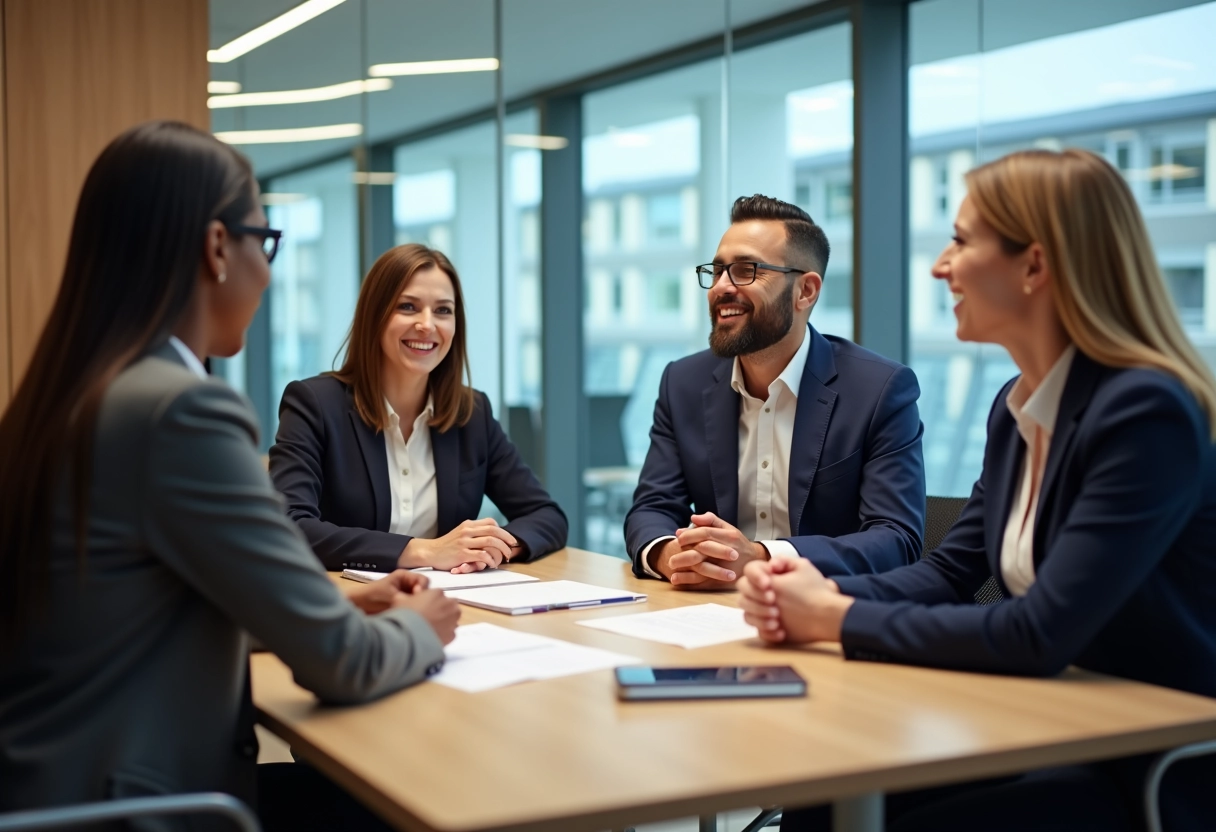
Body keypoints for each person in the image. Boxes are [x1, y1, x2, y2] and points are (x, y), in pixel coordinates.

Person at [0, 121, 461, 831]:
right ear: (219, 247)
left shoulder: (75, 392)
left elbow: (131, 610)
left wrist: (341, 608)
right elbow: (340, 665)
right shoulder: (180, 411)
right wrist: (421, 627)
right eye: (265, 242)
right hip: (139, 806)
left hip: (55, 784)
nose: (268, 272)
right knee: (422, 802)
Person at [740, 149, 1216, 831]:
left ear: (1035, 265)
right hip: (1051, 721)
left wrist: (835, 618)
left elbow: (1039, 631)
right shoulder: (1019, 406)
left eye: (962, 241)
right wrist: (806, 587)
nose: (941, 266)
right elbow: (948, 572)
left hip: (1150, 760)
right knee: (821, 804)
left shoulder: (1144, 412)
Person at [624, 195, 925, 588]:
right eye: (716, 272)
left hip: (827, 613)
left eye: (746, 270)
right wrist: (670, 555)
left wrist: (761, 557)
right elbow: (652, 507)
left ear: (806, 291)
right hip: (707, 608)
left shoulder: (880, 390)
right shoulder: (683, 382)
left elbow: (896, 539)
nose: (721, 288)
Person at [269, 243, 567, 574]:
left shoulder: (471, 412)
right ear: (375, 315)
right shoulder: (314, 404)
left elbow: (547, 515)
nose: (427, 325)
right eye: (408, 307)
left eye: (443, 310)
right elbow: (290, 526)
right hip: (349, 604)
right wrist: (424, 551)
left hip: (448, 601)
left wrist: (495, 547)